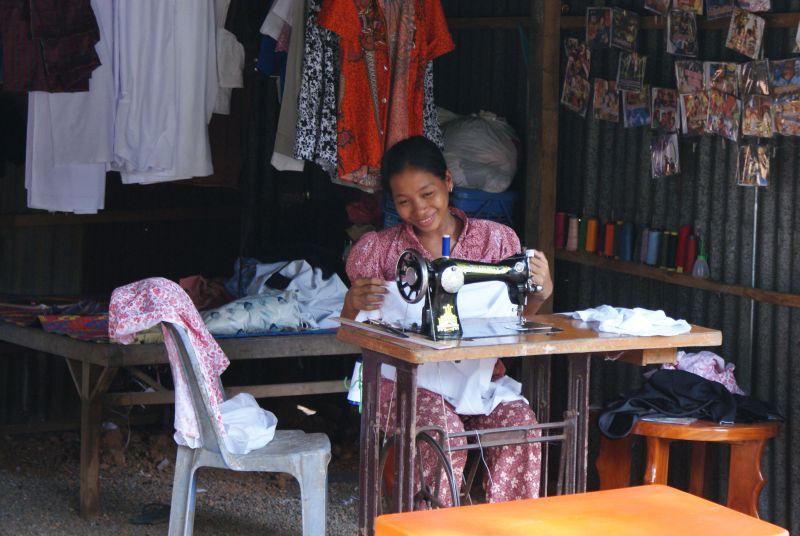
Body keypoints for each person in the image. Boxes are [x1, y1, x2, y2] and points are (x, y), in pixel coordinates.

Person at [342, 135, 553, 505]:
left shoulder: (497, 243)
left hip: (478, 382)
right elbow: (350, 331)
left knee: (521, 430)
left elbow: (514, 319)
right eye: (404, 201)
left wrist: (540, 291)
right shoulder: (380, 251)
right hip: (405, 385)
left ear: (448, 181)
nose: (419, 209)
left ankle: (507, 531)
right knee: (441, 433)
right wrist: (351, 303)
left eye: (428, 194)